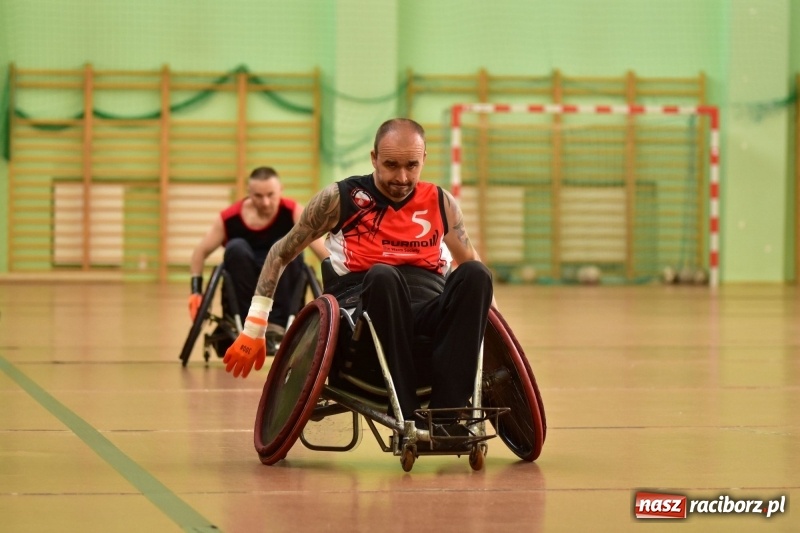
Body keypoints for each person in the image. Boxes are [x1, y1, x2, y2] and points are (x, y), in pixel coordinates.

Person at [223, 118, 495, 428]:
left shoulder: (441, 202)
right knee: (383, 276)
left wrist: (497, 332)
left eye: (412, 166)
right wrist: (254, 327)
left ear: (424, 159)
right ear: (374, 158)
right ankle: (408, 415)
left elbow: (470, 259)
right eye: (391, 165)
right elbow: (280, 252)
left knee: (476, 273)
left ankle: (446, 417)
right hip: (363, 314)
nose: (402, 177)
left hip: (428, 306)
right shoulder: (340, 199)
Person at [188, 166, 328, 355]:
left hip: (282, 278)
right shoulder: (230, 218)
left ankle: (276, 325)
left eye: (270, 195)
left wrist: (342, 285)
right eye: (258, 196)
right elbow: (200, 252)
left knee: (289, 246)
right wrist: (195, 292)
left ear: (281, 190)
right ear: (248, 193)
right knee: (235, 247)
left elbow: (323, 251)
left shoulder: (293, 212)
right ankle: (248, 324)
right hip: (245, 274)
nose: (265, 202)